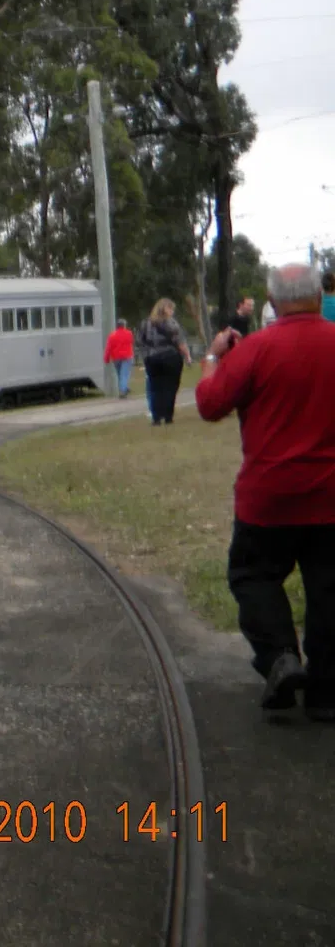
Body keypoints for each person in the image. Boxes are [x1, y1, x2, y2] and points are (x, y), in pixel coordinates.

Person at [195, 263, 335, 719]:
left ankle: (279, 657)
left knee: (253, 576)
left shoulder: (255, 349)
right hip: (330, 497)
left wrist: (214, 358)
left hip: (268, 497)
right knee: (329, 589)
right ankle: (327, 690)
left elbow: (209, 404)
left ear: (272, 302)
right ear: (319, 296)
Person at [136, 298, 190, 425]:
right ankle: (168, 415)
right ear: (165, 309)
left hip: (152, 358)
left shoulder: (145, 323)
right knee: (170, 386)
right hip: (170, 356)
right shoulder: (171, 323)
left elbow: (139, 341)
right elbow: (179, 341)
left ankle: (156, 417)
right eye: (171, 309)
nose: (172, 312)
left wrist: (147, 353)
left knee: (155, 387)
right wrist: (187, 355)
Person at [103, 318, 134, 398]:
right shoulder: (129, 333)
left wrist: (106, 358)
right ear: (124, 325)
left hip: (116, 358)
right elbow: (131, 342)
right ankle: (123, 390)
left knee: (120, 374)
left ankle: (124, 388)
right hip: (127, 356)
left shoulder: (112, 335)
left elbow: (108, 348)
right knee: (124, 374)